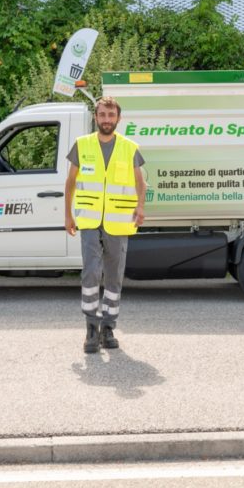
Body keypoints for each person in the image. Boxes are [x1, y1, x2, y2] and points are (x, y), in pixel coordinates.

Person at [65, 97, 146, 354]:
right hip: (89, 220)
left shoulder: (130, 148)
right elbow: (70, 182)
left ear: (118, 119)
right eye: (102, 115)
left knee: (113, 275)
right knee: (90, 273)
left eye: (111, 116)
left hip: (118, 222)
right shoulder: (82, 145)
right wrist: (68, 215)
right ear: (96, 117)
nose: (107, 120)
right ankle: (91, 327)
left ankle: (109, 327)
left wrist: (140, 207)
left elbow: (140, 183)